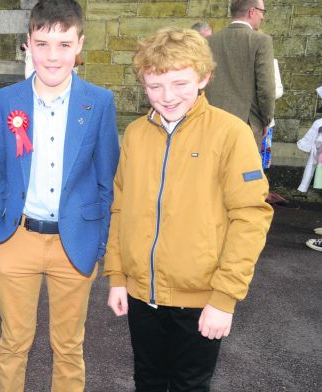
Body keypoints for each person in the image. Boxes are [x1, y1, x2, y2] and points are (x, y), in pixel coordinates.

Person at [104, 27, 273, 391]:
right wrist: (117, 276)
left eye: (180, 83)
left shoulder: (231, 134)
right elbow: (120, 209)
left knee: (190, 385)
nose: (167, 97)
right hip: (141, 295)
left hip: (202, 300)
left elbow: (250, 217)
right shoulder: (134, 134)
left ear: (204, 76)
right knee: (147, 380)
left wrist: (224, 299)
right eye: (154, 86)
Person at [0, 0, 120, 390]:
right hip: (18, 239)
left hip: (73, 242)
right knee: (13, 343)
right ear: (28, 44)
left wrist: (99, 244)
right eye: (42, 44)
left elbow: (106, 179)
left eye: (63, 44)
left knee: (69, 347)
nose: (52, 55)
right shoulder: (6, 100)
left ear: (79, 45)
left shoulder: (99, 102)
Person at [205, 0, 275, 149]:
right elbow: (266, 88)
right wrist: (266, 120)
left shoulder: (209, 41)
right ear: (252, 11)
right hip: (246, 124)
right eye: (262, 12)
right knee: (243, 171)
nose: (262, 17)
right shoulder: (261, 40)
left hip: (211, 122)